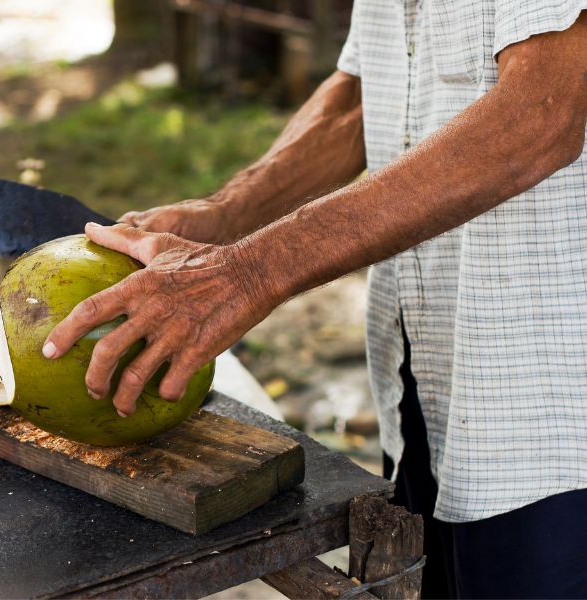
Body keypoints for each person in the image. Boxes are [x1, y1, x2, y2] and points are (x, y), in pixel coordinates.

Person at [43, 3, 587, 597]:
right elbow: (360, 96)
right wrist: (229, 213)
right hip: (434, 376)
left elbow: (541, 115)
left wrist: (247, 273)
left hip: (551, 408)